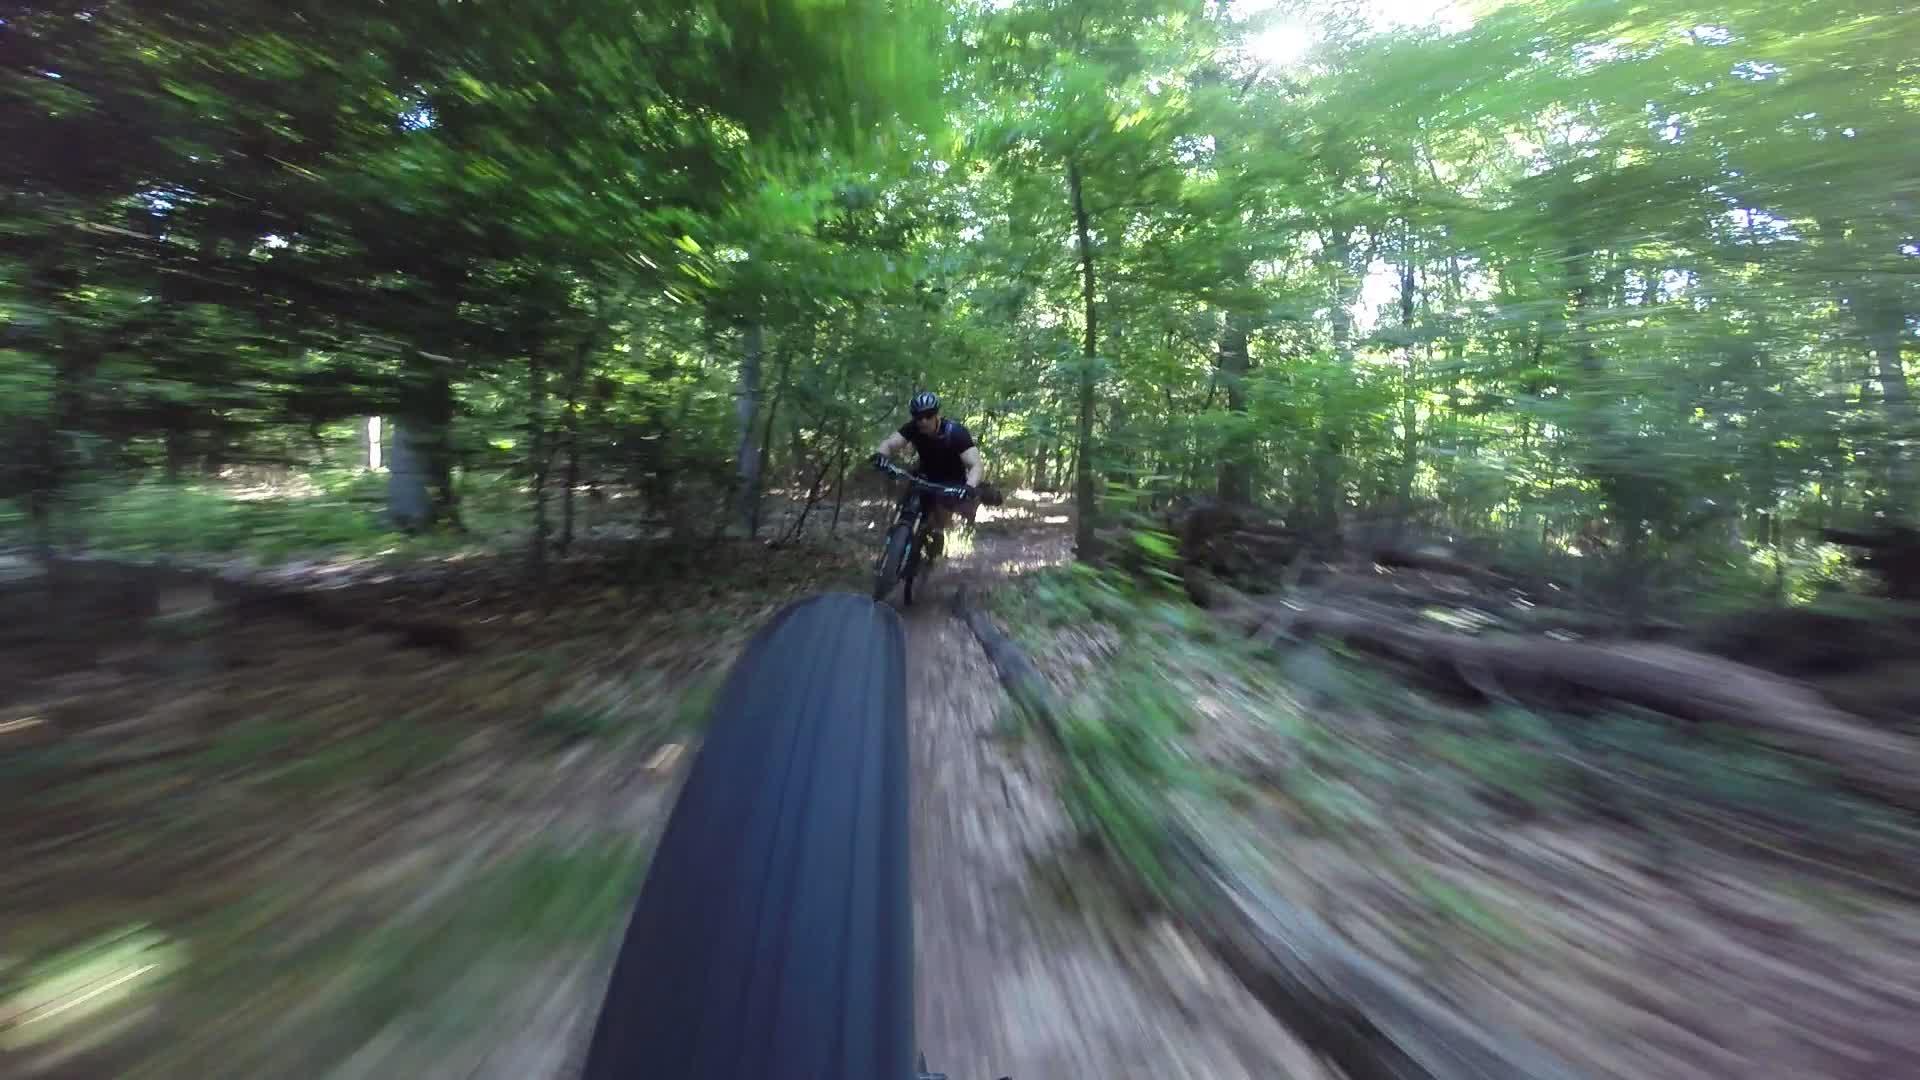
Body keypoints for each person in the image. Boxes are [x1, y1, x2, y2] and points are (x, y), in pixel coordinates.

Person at [870, 391, 984, 550]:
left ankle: (937, 535)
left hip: (951, 482)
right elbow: (890, 443)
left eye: (928, 415)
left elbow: (975, 465)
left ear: (937, 414)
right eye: (918, 416)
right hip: (924, 475)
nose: (923, 421)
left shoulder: (956, 433)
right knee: (906, 501)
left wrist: (969, 486)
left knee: (939, 521)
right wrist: (880, 455)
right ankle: (897, 538)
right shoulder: (913, 428)